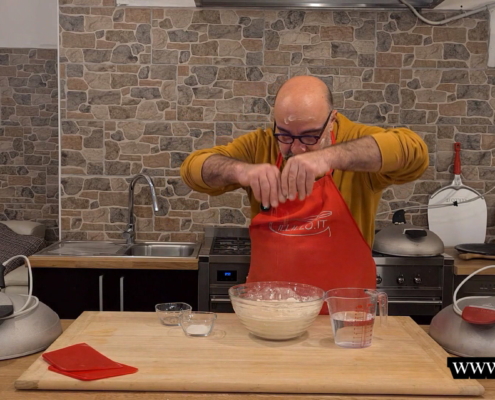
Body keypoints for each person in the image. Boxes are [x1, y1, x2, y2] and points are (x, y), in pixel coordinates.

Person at [181, 76, 428, 297]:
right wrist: (240, 170)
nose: (297, 148)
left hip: (342, 316)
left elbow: (414, 152)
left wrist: (329, 156)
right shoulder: (261, 145)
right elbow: (193, 169)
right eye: (285, 136)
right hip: (270, 308)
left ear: (332, 120)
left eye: (310, 136)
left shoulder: (354, 141)